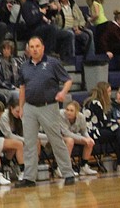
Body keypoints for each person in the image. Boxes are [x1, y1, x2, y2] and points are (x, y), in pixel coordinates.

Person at [14, 36, 75, 187]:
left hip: (49, 106)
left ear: (43, 47)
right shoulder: (24, 66)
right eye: (32, 47)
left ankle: (68, 173)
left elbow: (68, 80)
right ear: (28, 49)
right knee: (29, 143)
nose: (34, 49)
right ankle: (29, 178)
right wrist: (21, 107)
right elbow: (22, 87)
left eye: (37, 46)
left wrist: (63, 93)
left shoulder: (52, 63)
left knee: (55, 140)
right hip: (29, 107)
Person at [60, 101, 99, 176]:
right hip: (59, 136)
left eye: (71, 111)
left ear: (77, 112)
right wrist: (83, 139)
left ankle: (84, 166)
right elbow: (66, 133)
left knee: (89, 141)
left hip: (73, 136)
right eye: (67, 110)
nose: (68, 112)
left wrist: (88, 138)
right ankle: (64, 168)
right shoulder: (61, 114)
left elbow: (84, 131)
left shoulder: (81, 117)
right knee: (70, 141)